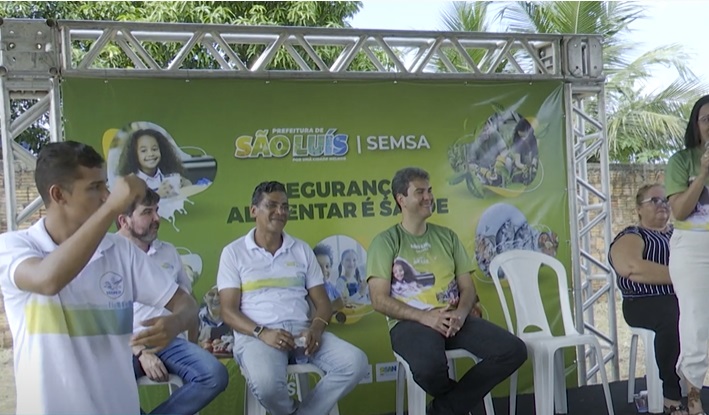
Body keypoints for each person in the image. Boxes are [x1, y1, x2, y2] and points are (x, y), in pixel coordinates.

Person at [0, 141, 199, 415]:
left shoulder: (121, 251)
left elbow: (186, 304)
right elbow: (47, 280)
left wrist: (175, 322)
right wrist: (112, 209)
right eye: (95, 187)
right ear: (58, 194)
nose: (106, 196)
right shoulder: (14, 247)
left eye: (106, 185)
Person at [367, 167, 527, 415]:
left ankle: (442, 410)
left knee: (513, 351)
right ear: (401, 200)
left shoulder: (447, 237)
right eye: (420, 192)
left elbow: (468, 288)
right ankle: (456, 406)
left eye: (429, 191)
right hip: (411, 323)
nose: (428, 197)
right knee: (429, 369)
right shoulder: (385, 241)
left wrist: (461, 314)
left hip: (453, 318)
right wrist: (425, 317)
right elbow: (378, 299)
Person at [217, 181, 368, 415]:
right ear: (253, 210)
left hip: (301, 332)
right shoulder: (234, 252)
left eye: (285, 206)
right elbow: (228, 311)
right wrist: (263, 333)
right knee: (267, 386)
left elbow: (323, 303)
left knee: (355, 362)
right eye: (272, 205)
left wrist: (316, 329)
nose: (280, 212)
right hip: (257, 336)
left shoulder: (301, 249)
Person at [117, 188, 228, 415]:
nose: (157, 218)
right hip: (123, 345)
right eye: (147, 212)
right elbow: (101, 321)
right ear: (124, 220)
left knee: (215, 375)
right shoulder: (109, 254)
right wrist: (140, 352)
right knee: (104, 386)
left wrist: (194, 344)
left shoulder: (168, 252)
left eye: (157, 211)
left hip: (169, 341)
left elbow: (188, 303)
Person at [608, 184, 686, 415]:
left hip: (682, 299)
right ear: (638, 209)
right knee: (672, 311)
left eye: (665, 200)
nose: (663, 205)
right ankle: (670, 393)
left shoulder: (680, 234)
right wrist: (685, 275)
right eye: (654, 200)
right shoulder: (633, 235)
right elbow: (630, 267)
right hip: (642, 303)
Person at [666, 94, 709, 415]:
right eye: (707, 119)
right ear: (696, 125)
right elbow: (679, 211)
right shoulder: (682, 161)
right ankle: (693, 398)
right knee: (696, 322)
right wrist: (703, 173)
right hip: (693, 248)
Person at [117, 128, 191, 198]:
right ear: (134, 154)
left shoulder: (169, 174)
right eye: (143, 151)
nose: (151, 154)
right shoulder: (130, 183)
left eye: (154, 149)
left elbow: (187, 185)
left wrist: (185, 184)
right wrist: (158, 195)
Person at [313, 244, 345, 312]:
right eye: (319, 266)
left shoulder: (332, 288)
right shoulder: (309, 291)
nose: (324, 270)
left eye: (327, 266)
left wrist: (343, 300)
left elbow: (341, 301)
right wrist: (332, 306)